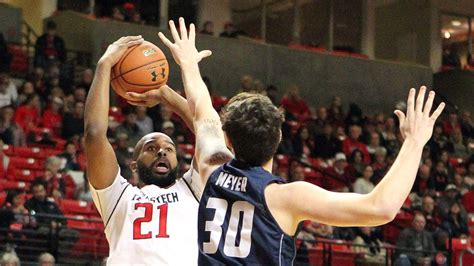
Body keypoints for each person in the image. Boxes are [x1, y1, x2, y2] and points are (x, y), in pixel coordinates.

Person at [157, 18, 445, 264]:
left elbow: (203, 114)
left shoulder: (211, 168)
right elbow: (381, 208)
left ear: (228, 139)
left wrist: (187, 65)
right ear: (280, 137)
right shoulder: (286, 197)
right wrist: (415, 142)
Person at [84, 35, 204, 265]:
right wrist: (104, 65)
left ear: (178, 162)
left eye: (169, 149)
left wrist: (166, 95)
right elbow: (94, 134)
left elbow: (210, 132)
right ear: (133, 164)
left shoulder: (194, 189)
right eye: (151, 147)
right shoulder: (118, 197)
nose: (162, 151)